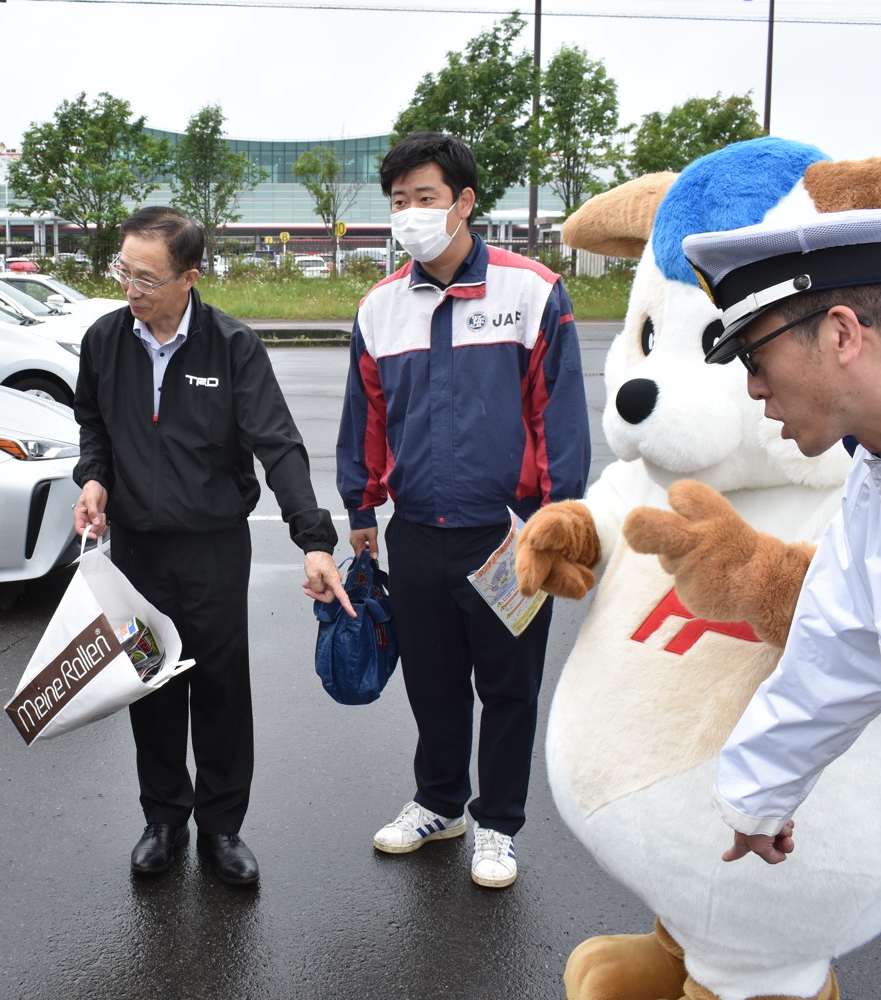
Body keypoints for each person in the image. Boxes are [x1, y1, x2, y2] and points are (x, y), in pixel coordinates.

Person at [666, 207, 881, 999]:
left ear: (841, 334)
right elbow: (836, 649)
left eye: (756, 357)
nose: (753, 388)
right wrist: (757, 795)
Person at [335, 131, 590, 888]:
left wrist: (555, 521)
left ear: (464, 202)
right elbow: (366, 417)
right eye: (398, 201)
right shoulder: (380, 307)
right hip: (418, 533)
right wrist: (361, 506)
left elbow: (557, 416)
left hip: (510, 536)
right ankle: (440, 803)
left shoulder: (531, 292)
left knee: (509, 688)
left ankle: (498, 824)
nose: (409, 214)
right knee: (432, 682)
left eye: (426, 197)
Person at [71, 205, 351, 887]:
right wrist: (94, 478)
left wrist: (313, 538)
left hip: (213, 550)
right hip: (136, 552)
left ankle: (222, 827)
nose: (130, 290)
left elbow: (278, 444)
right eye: (123, 272)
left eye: (146, 278)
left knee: (221, 687)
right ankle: (164, 819)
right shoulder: (104, 340)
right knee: (151, 683)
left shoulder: (231, 346)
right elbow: (93, 424)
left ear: (189, 276)